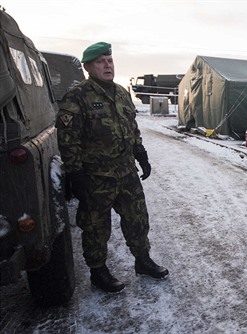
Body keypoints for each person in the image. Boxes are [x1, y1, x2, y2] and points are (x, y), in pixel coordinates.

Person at [56, 42, 169, 293]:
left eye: (110, 60)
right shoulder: (77, 97)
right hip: (96, 176)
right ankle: (98, 272)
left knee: (137, 218)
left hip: (126, 171)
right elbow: (67, 138)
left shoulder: (121, 93)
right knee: (96, 226)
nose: (107, 65)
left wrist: (141, 154)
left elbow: (131, 128)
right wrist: (75, 174)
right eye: (100, 62)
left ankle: (143, 260)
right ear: (88, 67)